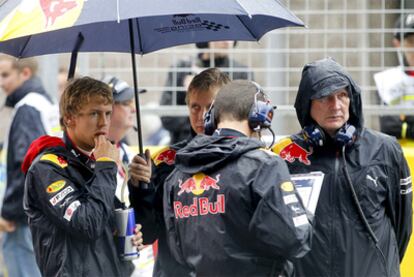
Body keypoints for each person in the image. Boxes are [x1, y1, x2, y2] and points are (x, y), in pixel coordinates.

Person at [273, 57, 412, 277]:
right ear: (307, 103)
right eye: (325, 98)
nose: (336, 106)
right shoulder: (285, 155)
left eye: (342, 95)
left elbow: (402, 225)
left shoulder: (385, 149)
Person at [163, 80, 312, 276]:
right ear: (260, 115)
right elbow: (293, 240)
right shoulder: (265, 166)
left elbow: (177, 250)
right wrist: (304, 215)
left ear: (212, 117)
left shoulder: (177, 174)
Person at [22, 77, 143, 276]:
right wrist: (106, 167)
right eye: (95, 114)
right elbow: (87, 225)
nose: (104, 123)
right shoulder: (47, 169)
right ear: (69, 118)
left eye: (108, 113)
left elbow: (107, 227)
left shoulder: (94, 162)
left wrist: (140, 188)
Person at [128, 68, 231, 276]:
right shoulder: (165, 160)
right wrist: (140, 187)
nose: (202, 116)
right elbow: (147, 233)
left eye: (210, 107)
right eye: (195, 107)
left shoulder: (244, 159)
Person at [0, 54, 61, 277]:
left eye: (5, 75)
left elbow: (25, 166)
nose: (1, 82)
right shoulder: (46, 103)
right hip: (42, 212)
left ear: (25, 73)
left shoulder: (27, 108)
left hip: (23, 218)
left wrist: (9, 213)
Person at [160, 41, 253, 144]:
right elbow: (167, 118)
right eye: (221, 35)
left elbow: (244, 120)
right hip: (184, 144)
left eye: (231, 37)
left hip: (227, 145)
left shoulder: (241, 73)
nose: (227, 41)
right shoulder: (182, 68)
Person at [374, 13, 414, 139]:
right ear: (398, 43)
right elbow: (388, 128)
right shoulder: (385, 80)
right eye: (411, 41)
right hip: (399, 156)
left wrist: (405, 119)